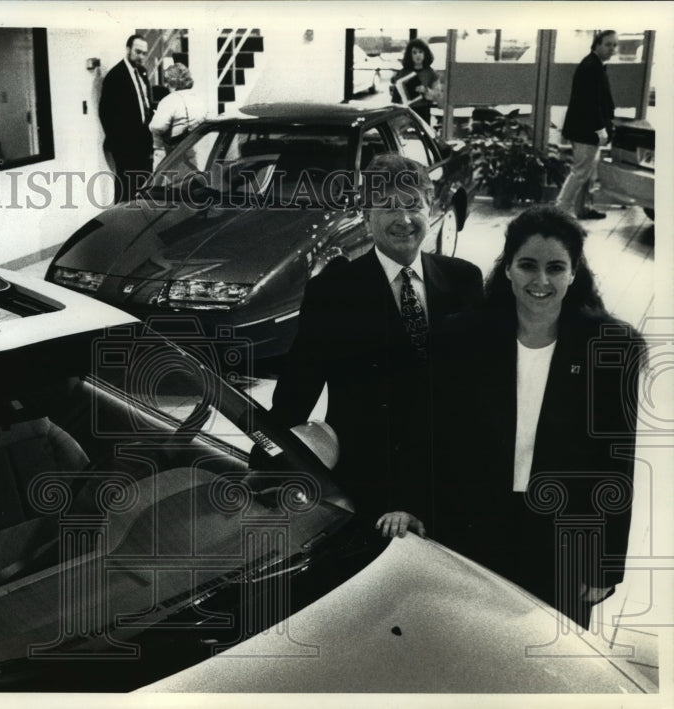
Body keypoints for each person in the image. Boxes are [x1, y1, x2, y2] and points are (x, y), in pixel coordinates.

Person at [435, 205, 644, 629]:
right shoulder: (461, 337)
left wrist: (604, 563)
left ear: (573, 272)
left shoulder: (611, 346)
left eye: (556, 268)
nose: (541, 281)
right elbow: (436, 438)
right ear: (508, 268)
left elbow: (615, 465)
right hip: (473, 530)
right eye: (528, 265)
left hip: (565, 539)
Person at [270, 153, 483, 539]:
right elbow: (295, 394)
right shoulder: (333, 293)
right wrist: (268, 466)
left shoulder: (464, 281)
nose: (404, 220)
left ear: (431, 207)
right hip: (371, 489)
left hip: (448, 483)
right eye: (387, 207)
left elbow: (479, 392)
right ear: (366, 217)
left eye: (412, 204)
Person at [557, 30, 617, 220]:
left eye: (614, 45)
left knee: (586, 172)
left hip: (585, 128)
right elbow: (589, 102)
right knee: (580, 172)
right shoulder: (591, 66)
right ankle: (559, 212)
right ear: (597, 44)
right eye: (608, 44)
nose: (612, 49)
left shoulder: (595, 64)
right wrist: (600, 128)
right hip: (586, 130)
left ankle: (581, 209)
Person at [99, 34, 153, 202]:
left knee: (144, 187)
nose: (141, 56)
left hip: (143, 142)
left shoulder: (142, 72)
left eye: (144, 53)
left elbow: (145, 103)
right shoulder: (115, 76)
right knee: (126, 189)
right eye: (138, 52)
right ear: (128, 49)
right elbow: (105, 113)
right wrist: (120, 144)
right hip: (125, 145)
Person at [148, 63, 206, 169]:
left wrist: (155, 117)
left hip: (168, 158)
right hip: (193, 156)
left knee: (165, 185)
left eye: (167, 80)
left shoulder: (170, 100)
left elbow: (157, 126)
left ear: (173, 81)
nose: (165, 85)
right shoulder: (198, 99)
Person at [390, 38, 443, 125]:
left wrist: (426, 91)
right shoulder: (403, 72)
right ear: (410, 56)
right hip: (405, 112)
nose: (418, 55)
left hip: (424, 111)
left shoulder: (431, 73)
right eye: (414, 52)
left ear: (425, 54)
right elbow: (395, 98)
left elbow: (437, 96)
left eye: (420, 52)